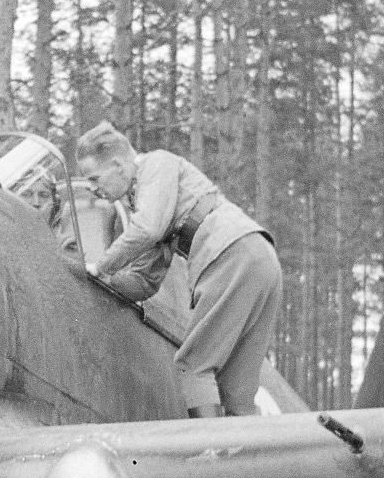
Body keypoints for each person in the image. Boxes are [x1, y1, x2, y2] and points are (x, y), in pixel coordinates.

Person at [75, 122, 282, 418]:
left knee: (192, 364)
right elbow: (144, 282)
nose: (94, 189)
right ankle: (246, 461)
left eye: (94, 178)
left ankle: (210, 457)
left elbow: (148, 228)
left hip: (232, 252)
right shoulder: (148, 202)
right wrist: (100, 281)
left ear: (119, 164)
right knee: (236, 391)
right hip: (258, 257)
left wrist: (101, 265)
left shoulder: (156, 165)